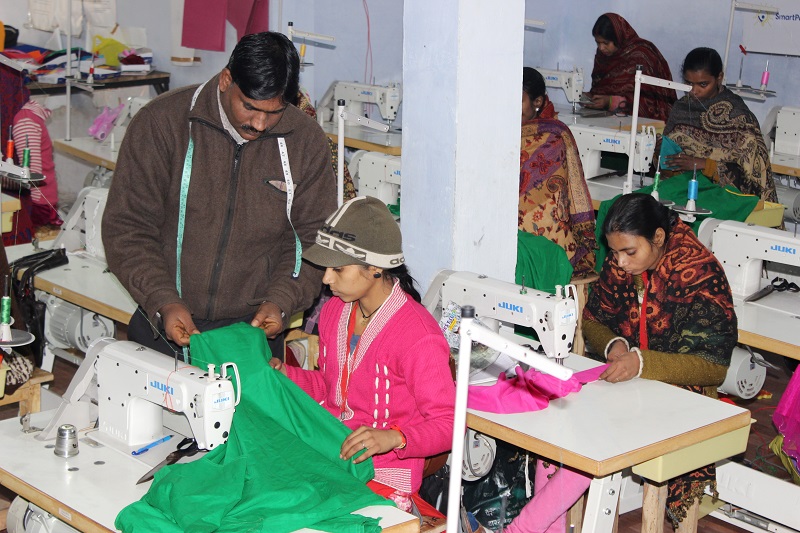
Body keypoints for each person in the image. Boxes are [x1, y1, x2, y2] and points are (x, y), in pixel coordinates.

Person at [102, 32, 336, 359]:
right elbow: (128, 228)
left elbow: (312, 237)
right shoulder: (162, 123)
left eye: (274, 112)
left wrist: (282, 300)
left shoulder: (305, 141)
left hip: (251, 334)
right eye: (250, 107)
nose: (260, 124)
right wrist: (163, 299)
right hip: (164, 323)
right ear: (227, 80)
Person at [270, 196, 455, 516]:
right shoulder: (333, 313)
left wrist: (395, 438)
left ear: (374, 268)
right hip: (330, 456)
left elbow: (450, 423)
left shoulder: (418, 336)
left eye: (338, 269)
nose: (326, 279)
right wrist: (290, 377)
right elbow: (333, 388)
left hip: (385, 475)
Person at [584, 193, 736, 527]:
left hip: (685, 396)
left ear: (658, 238)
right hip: (631, 384)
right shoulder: (621, 264)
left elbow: (713, 364)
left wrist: (642, 364)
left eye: (629, 252)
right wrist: (614, 346)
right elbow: (593, 319)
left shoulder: (700, 273)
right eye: (614, 253)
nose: (620, 263)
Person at [662, 47, 778, 203]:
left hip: (727, 200)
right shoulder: (680, 108)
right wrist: (660, 152)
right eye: (689, 83)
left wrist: (705, 165)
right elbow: (668, 159)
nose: (694, 91)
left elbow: (752, 177)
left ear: (719, 78)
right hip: (684, 193)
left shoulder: (738, 115)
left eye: (703, 84)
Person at [520, 67, 597, 277]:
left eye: (518, 100)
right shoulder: (500, 130)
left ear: (537, 102)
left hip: (545, 233)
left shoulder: (554, 136)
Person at [585, 13, 676, 121]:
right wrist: (590, 98)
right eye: (597, 43)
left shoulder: (641, 56)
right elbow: (600, 88)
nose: (601, 48)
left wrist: (610, 102)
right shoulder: (602, 57)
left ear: (618, 37)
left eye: (605, 43)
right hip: (609, 121)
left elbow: (648, 102)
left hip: (644, 125)